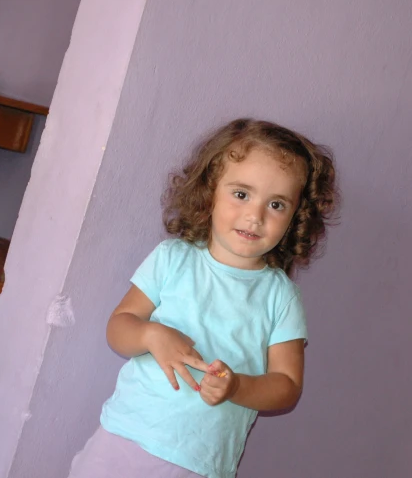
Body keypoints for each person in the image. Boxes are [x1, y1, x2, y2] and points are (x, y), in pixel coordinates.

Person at [68, 118, 338, 478]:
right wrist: (150, 335)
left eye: (276, 204)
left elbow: (287, 386)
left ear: (296, 215)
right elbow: (118, 327)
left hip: (198, 464)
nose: (254, 216)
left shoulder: (281, 297)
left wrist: (238, 386)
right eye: (241, 194)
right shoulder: (173, 258)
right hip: (123, 439)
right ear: (210, 190)